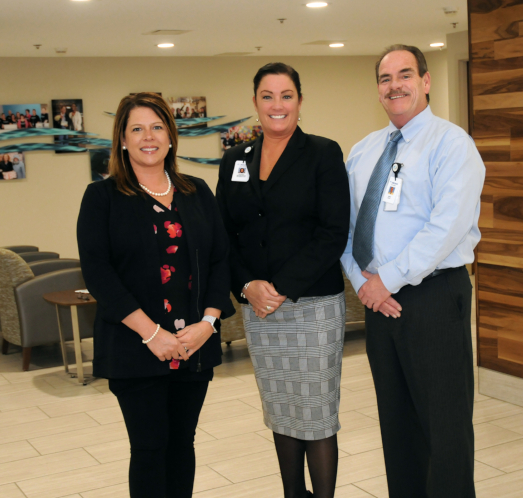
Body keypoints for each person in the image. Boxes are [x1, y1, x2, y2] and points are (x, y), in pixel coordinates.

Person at [340, 45, 485, 498]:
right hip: (379, 302)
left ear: (425, 81)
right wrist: (364, 284)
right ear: (378, 90)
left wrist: (388, 279)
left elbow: (446, 226)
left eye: (405, 75)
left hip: (435, 296)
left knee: (446, 427)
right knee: (397, 424)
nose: (394, 85)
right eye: (385, 78)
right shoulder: (363, 152)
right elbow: (343, 229)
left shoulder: (452, 144)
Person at [77, 92, 234, 498]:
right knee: (149, 447)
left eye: (157, 127)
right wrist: (151, 334)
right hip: (136, 347)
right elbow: (99, 274)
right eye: (137, 129)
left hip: (193, 344)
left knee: (183, 444)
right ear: (123, 141)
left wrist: (208, 323)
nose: (149, 137)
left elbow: (220, 260)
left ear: (170, 136)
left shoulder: (197, 191)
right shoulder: (102, 198)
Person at [216, 62, 350, 498]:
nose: (277, 105)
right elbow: (224, 233)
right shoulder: (236, 159)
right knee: (280, 409)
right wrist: (248, 286)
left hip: (312, 306)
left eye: (286, 95)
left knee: (315, 412)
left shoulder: (322, 153)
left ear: (299, 100)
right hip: (258, 309)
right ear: (255, 103)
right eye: (268, 96)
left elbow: (334, 232)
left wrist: (280, 287)